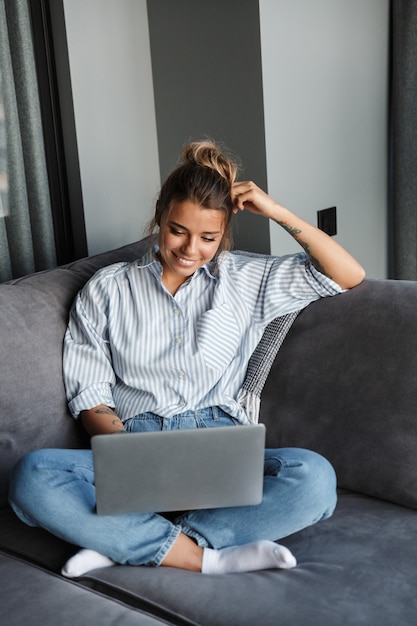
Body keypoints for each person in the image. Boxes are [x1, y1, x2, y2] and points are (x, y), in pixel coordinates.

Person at [9, 140, 365, 577]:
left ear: (224, 232)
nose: (190, 249)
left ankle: (128, 542)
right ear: (160, 212)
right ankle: (206, 558)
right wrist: (133, 463)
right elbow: (91, 394)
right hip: (132, 441)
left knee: (314, 478)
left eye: (208, 237)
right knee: (34, 476)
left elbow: (348, 275)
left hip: (221, 447)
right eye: (178, 230)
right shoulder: (107, 289)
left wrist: (278, 212)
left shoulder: (244, 279)